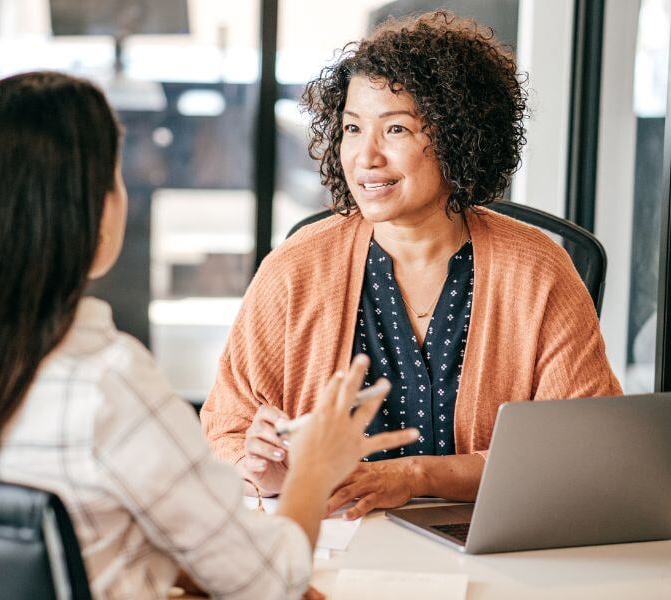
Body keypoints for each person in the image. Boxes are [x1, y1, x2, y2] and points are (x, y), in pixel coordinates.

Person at [0, 72, 418, 599]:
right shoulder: (107, 384)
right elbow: (271, 584)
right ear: (86, 209)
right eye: (115, 175)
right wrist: (314, 472)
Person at [201, 11, 622, 520]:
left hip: (485, 543)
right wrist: (261, 467)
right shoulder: (295, 268)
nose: (365, 156)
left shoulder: (537, 270)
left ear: (457, 136)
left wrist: (418, 476)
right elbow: (226, 430)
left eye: (395, 128)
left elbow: (577, 450)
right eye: (353, 128)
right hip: (330, 539)